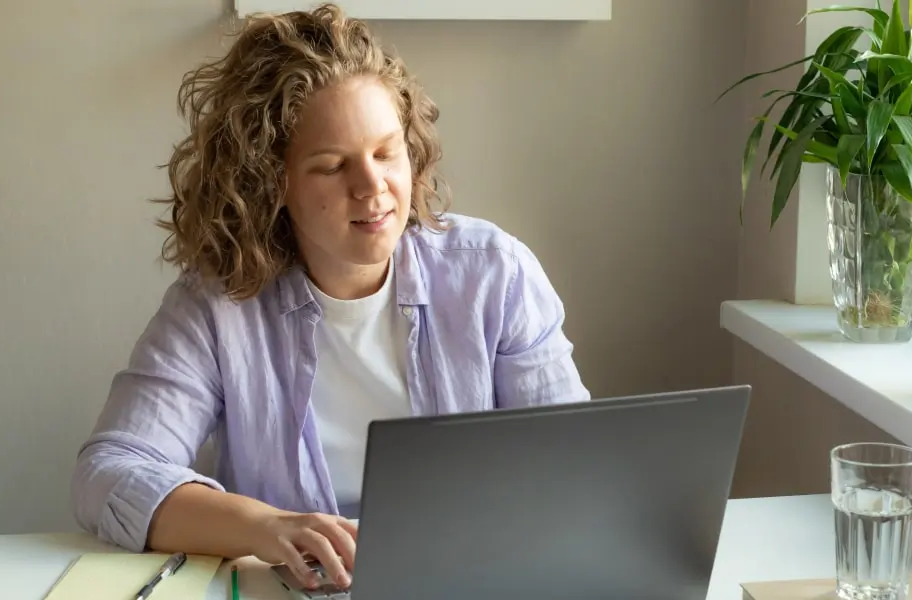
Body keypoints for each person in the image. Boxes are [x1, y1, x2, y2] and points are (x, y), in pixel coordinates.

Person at [69, 3, 589, 591]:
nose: (373, 187)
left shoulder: (496, 275)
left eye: (386, 153)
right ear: (271, 183)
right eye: (332, 166)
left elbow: (573, 463)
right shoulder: (215, 307)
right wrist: (267, 527)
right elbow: (108, 474)